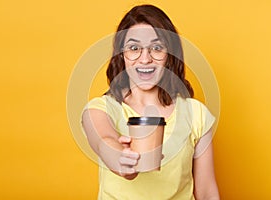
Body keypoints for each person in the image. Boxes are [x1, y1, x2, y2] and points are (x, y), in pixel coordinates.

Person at [81, 4, 220, 200]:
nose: (145, 59)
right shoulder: (100, 109)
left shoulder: (196, 114)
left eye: (156, 48)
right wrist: (121, 159)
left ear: (169, 54)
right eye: (134, 48)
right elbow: (105, 140)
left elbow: (206, 193)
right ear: (122, 55)